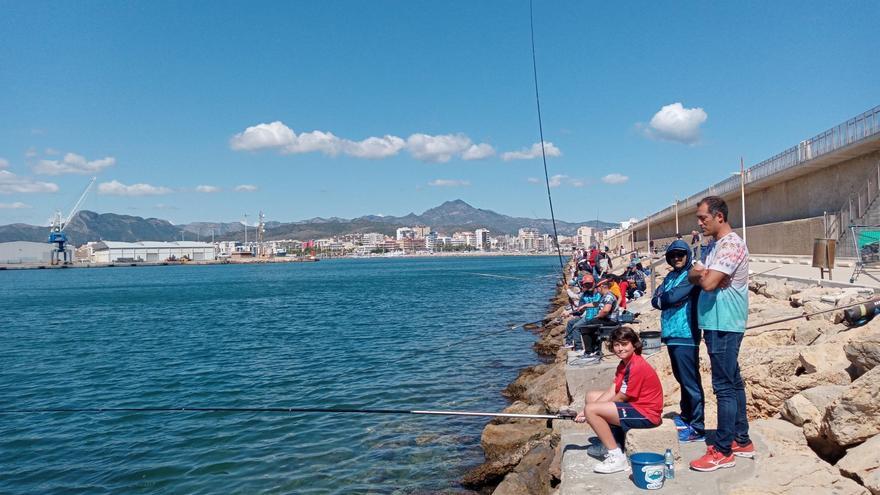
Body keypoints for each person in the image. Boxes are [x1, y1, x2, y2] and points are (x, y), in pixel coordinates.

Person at [688, 196, 754, 472]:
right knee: (733, 382)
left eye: (703, 218)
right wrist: (701, 274)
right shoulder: (713, 246)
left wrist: (704, 276)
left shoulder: (731, 246)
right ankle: (741, 439)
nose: (699, 223)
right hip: (715, 322)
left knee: (724, 387)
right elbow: (694, 275)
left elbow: (707, 283)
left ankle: (723, 450)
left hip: (725, 323)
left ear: (719, 217)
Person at [574, 326, 663, 474]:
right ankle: (610, 441)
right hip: (635, 405)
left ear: (634, 345)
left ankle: (617, 457)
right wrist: (587, 411)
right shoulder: (624, 364)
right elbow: (613, 389)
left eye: (624, 344)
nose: (620, 349)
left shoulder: (637, 366)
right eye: (616, 345)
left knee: (592, 410)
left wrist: (589, 412)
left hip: (647, 414)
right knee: (591, 397)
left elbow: (622, 397)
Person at [651, 239, 705, 444]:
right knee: (681, 378)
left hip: (686, 334)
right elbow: (656, 299)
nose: (676, 258)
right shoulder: (670, 276)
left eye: (680, 254)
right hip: (671, 334)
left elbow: (670, 298)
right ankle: (686, 416)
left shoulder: (690, 276)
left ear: (687, 255)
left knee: (691, 382)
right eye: (673, 255)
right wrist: (664, 298)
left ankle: (698, 427)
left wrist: (666, 298)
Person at [576, 278, 619, 356]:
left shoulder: (609, 296)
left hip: (610, 320)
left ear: (602, 286)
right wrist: (584, 305)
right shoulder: (604, 296)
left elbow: (606, 310)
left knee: (585, 327)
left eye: (597, 287)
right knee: (590, 325)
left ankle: (589, 352)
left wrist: (597, 316)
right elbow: (596, 304)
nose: (596, 289)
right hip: (605, 319)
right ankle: (594, 349)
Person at [563, 275, 602, 350]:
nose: (588, 286)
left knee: (576, 327)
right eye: (586, 284)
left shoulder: (599, 293)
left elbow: (597, 304)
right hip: (587, 316)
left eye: (590, 283)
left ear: (594, 283)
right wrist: (571, 313)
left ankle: (579, 348)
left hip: (597, 317)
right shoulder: (584, 295)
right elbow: (581, 310)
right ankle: (569, 343)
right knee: (571, 322)